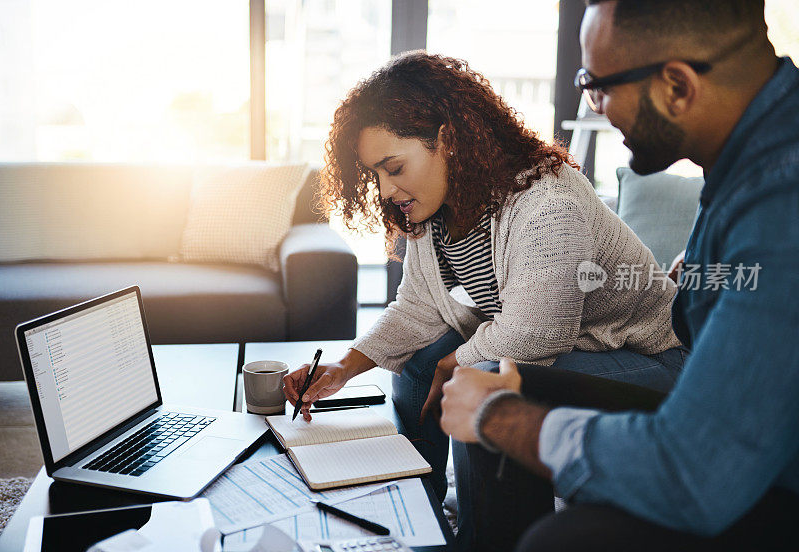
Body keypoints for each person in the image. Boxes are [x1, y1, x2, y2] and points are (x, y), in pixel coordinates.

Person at [440, 0, 799, 550]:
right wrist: (709, 278)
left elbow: (695, 472)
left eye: (597, 85)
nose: (597, 106)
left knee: (558, 535)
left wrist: (500, 417)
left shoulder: (781, 196)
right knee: (491, 374)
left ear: (676, 86)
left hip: (762, 469)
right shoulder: (748, 147)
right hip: (734, 414)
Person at [283, 51, 686, 506]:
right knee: (418, 361)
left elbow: (536, 336)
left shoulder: (547, 200)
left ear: (448, 139)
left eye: (394, 169)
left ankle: (483, 537)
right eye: (375, 174)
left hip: (652, 360)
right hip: (575, 350)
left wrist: (451, 365)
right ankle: (422, 508)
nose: (385, 191)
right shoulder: (432, 211)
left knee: (485, 377)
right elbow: (418, 308)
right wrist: (344, 368)